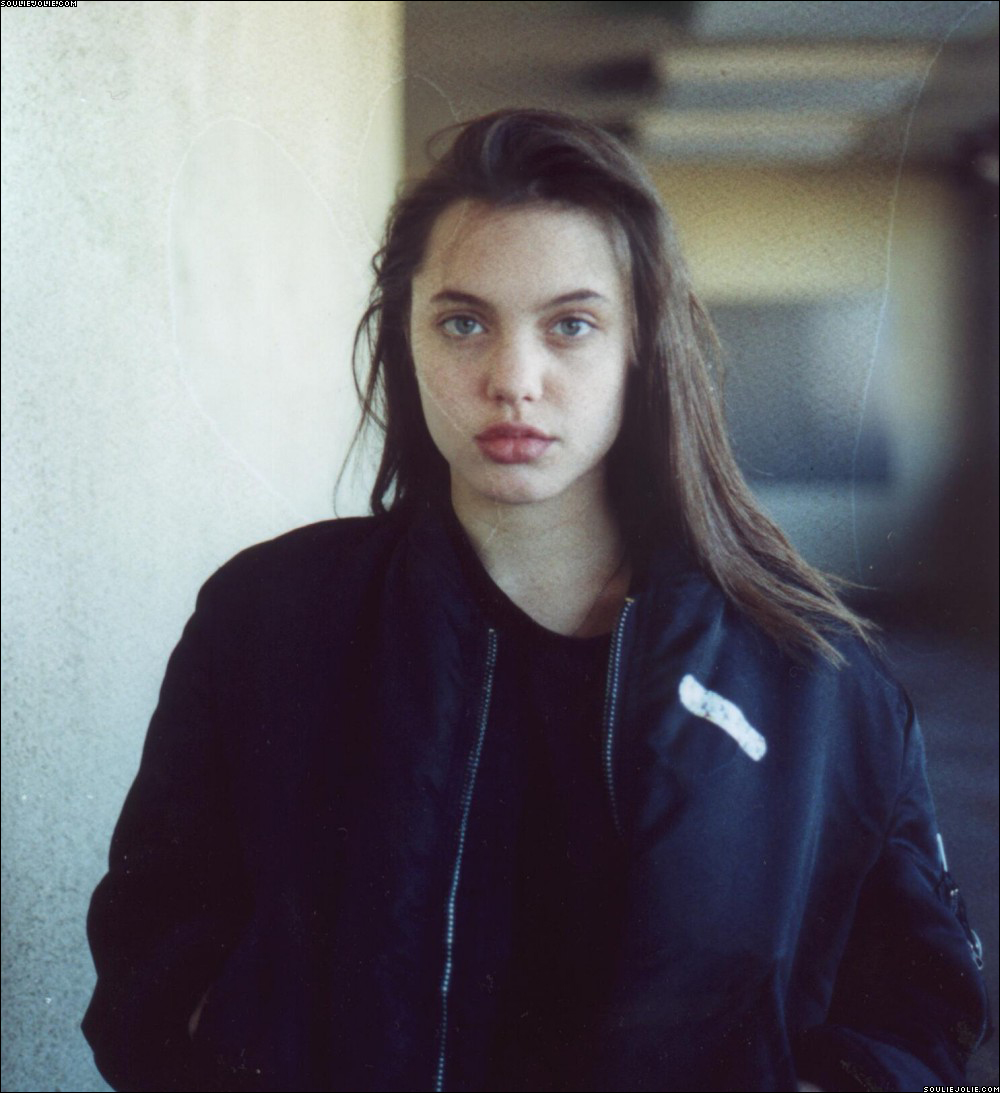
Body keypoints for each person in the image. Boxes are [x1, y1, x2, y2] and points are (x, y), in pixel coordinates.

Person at [82, 109, 988, 1093]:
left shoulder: (808, 678)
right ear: (406, 336)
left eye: (571, 325)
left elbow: (921, 1005)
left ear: (641, 345)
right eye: (463, 322)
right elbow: (150, 955)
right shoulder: (268, 620)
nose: (514, 380)